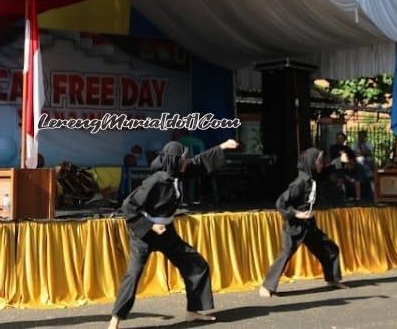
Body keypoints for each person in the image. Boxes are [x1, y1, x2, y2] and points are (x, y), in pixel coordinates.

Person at [108, 138, 240, 329]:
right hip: (144, 235)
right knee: (133, 274)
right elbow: (128, 206)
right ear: (175, 162)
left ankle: (192, 311)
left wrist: (222, 147)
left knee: (196, 265)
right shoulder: (156, 180)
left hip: (166, 233)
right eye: (184, 159)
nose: (187, 161)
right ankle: (115, 320)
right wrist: (151, 226)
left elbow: (199, 162)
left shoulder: (180, 173)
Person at [259, 148, 347, 298]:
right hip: (294, 226)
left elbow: (327, 172)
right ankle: (266, 287)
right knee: (286, 253)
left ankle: (332, 279)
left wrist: (341, 164)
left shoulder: (313, 178)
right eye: (319, 161)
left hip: (309, 226)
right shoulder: (299, 182)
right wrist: (297, 213)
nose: (321, 163)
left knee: (331, 248)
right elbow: (281, 202)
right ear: (311, 162)